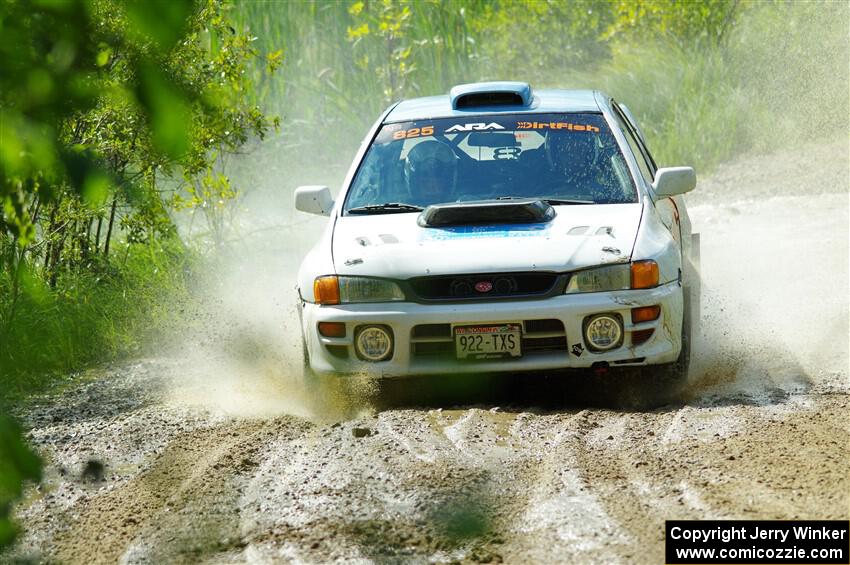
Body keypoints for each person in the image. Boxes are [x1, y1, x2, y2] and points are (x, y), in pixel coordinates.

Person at [403, 140, 458, 206]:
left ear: (448, 182)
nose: (432, 188)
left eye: (437, 181)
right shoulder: (399, 207)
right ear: (415, 183)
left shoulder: (465, 205)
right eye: (425, 181)